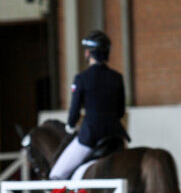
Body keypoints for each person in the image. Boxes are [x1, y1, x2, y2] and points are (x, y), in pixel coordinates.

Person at [49, 30, 128, 180]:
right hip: (115, 136)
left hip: (91, 135)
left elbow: (75, 111)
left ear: (88, 53)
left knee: (56, 174)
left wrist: (70, 126)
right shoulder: (117, 78)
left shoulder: (82, 78)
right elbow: (120, 111)